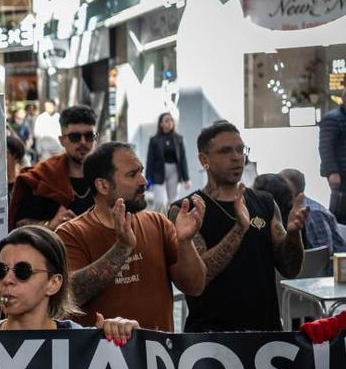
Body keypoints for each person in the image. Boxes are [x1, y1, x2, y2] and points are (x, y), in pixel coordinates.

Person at [169, 121, 309, 332]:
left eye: (240, 149)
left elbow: (290, 269)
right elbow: (199, 279)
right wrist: (239, 229)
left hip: (265, 333)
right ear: (204, 159)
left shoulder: (265, 202)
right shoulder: (186, 210)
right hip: (211, 337)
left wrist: (294, 234)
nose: (236, 157)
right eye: (225, 151)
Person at [57, 142, 206, 332]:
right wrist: (122, 248)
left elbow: (195, 287)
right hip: (100, 357)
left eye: (141, 172)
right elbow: (69, 295)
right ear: (103, 185)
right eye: (132, 175)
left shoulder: (158, 223)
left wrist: (186, 242)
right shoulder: (71, 233)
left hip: (156, 355)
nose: (143, 181)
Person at [0, 225, 138, 344]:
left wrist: (128, 335)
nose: (7, 280)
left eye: (22, 271)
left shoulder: (79, 342)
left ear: (54, 283)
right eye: (0, 270)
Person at [10, 105, 98, 230]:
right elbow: (20, 225)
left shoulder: (107, 175)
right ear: (62, 140)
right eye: (75, 137)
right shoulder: (44, 177)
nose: (83, 142)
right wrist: (50, 225)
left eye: (89, 136)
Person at [279, 168, 346, 262]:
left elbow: (322, 255)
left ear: (290, 190)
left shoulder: (312, 213)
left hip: (333, 269)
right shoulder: (292, 209)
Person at [144, 112, 190, 211]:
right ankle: (160, 223)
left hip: (174, 172)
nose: (169, 122)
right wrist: (148, 179)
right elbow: (150, 160)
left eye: (171, 120)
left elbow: (182, 159)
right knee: (160, 201)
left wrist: (186, 178)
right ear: (161, 124)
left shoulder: (178, 139)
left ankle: (171, 223)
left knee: (173, 201)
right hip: (158, 172)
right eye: (166, 120)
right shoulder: (154, 140)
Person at [318, 88, 346, 212]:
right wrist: (333, 172)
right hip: (341, 172)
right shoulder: (332, 118)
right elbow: (326, 147)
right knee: (341, 207)